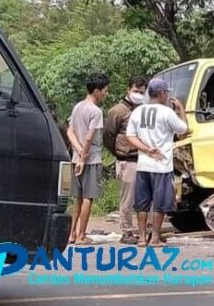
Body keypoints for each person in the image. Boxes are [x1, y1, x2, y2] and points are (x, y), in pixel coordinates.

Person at [126, 78, 191, 247]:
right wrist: (181, 109)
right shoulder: (166, 113)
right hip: (161, 165)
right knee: (160, 203)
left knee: (142, 203)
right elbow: (184, 130)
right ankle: (154, 238)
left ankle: (141, 238)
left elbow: (130, 136)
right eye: (166, 92)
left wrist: (146, 150)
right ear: (162, 94)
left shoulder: (138, 112)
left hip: (143, 164)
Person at [103, 76, 147, 245]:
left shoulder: (143, 109)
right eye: (136, 91)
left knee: (143, 198)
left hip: (143, 158)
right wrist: (118, 152)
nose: (139, 94)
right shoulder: (118, 111)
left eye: (142, 92)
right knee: (127, 198)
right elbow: (108, 135)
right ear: (128, 90)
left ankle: (144, 230)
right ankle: (127, 231)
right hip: (126, 160)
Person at [67, 73, 110, 245]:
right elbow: (89, 138)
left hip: (76, 157)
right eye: (105, 91)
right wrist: (84, 158)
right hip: (90, 159)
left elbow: (69, 131)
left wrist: (78, 153)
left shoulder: (77, 107)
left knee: (77, 197)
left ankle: (71, 234)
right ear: (97, 91)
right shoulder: (96, 111)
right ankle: (81, 235)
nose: (106, 94)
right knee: (88, 197)